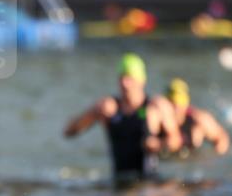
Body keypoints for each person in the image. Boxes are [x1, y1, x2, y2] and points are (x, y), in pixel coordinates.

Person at [63, 53, 182, 183]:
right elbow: (69, 132)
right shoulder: (110, 107)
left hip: (149, 182)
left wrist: (158, 144)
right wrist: (95, 110)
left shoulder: (156, 106)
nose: (125, 84)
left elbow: (176, 140)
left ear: (141, 81)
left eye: (129, 78)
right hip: (119, 179)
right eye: (122, 78)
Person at [166, 78, 230, 155]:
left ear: (186, 104)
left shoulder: (199, 119)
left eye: (178, 105)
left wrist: (214, 157)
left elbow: (222, 138)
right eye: (172, 105)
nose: (176, 110)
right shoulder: (161, 117)